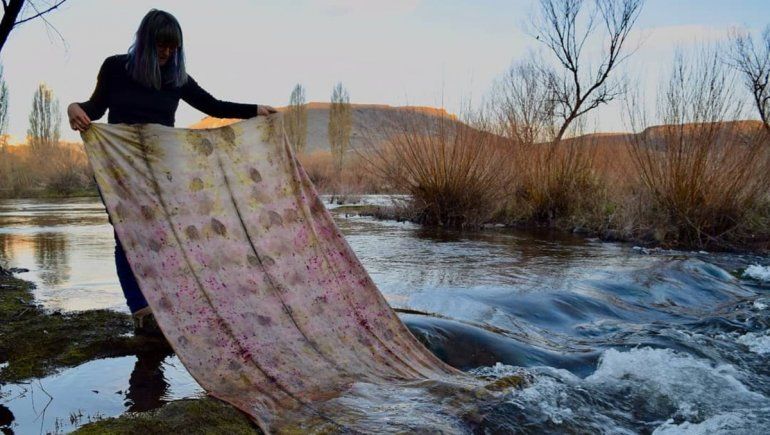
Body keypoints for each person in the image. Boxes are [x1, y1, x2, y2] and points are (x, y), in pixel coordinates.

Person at [68, 9, 276, 335]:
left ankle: (164, 303)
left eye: (172, 47)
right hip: (119, 170)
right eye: (160, 46)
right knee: (126, 237)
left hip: (162, 171)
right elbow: (95, 108)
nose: (167, 53)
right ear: (145, 42)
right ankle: (141, 311)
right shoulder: (115, 67)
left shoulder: (176, 79)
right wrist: (74, 108)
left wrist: (255, 111)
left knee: (161, 237)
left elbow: (215, 106)